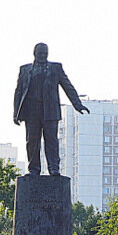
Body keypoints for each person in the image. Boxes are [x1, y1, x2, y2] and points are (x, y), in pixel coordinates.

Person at [13, 43, 89, 175]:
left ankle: (54, 167)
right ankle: (34, 169)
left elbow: (67, 86)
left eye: (45, 53)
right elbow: (18, 92)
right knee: (32, 141)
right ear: (34, 53)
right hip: (32, 111)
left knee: (52, 140)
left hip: (50, 110)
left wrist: (77, 104)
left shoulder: (55, 68)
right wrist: (15, 113)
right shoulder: (25, 70)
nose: (43, 56)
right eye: (40, 53)